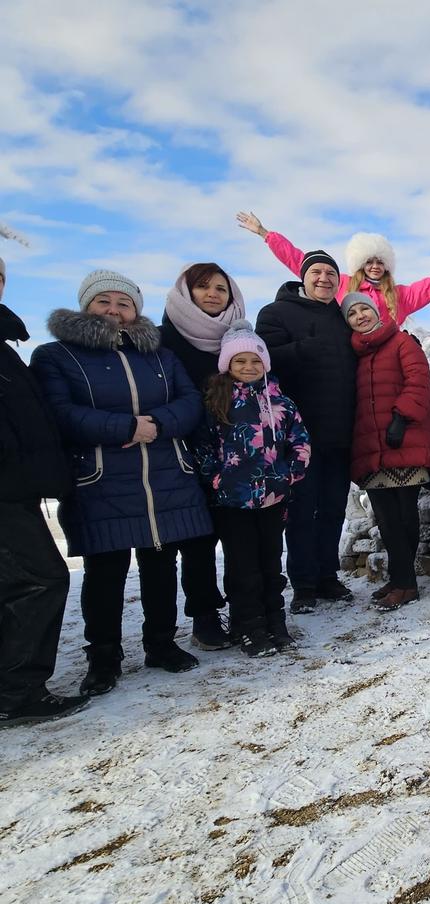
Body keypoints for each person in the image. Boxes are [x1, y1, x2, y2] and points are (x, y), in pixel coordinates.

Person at [31, 271, 212, 696]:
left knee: (161, 565)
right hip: (101, 477)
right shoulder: (57, 356)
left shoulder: (160, 356)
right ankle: (104, 656)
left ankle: (161, 643)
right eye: (104, 301)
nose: (114, 310)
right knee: (106, 571)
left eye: (124, 303)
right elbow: (59, 411)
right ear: (86, 305)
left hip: (165, 473)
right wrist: (126, 427)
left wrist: (157, 425)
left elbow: (189, 402)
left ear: (136, 310)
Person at [0, 257, 90, 727]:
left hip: (18, 488)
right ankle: (17, 693)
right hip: (7, 490)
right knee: (40, 580)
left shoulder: (6, 345)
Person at [195, 321, 311, 656]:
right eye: (240, 361)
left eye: (255, 361)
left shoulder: (283, 404)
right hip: (234, 502)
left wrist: (290, 475)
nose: (248, 367)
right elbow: (203, 448)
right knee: (243, 567)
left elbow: (300, 442)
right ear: (227, 365)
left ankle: (275, 621)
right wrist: (217, 479)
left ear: (265, 364)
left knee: (270, 563)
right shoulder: (217, 402)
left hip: (274, 497)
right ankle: (249, 625)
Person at [255, 249, 357, 614]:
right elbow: (260, 361)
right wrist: (304, 349)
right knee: (300, 511)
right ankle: (304, 584)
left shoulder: (342, 316)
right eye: (317, 272)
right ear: (303, 277)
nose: (324, 278)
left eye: (331, 273)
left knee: (333, 508)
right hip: (298, 435)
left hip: (342, 431)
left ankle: (328, 576)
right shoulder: (275, 312)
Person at [161, 262, 246, 650]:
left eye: (221, 288)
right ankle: (205, 617)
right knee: (196, 544)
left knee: (236, 538)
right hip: (180, 457)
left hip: (236, 460)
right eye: (203, 287)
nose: (213, 294)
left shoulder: (240, 342)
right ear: (186, 292)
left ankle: (244, 608)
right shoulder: (163, 340)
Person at [236, 211, 430, 327]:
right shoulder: (342, 284)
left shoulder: (400, 296)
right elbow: (299, 260)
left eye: (380, 262)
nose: (375, 267)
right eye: (370, 261)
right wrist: (265, 234)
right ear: (361, 263)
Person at [345, 292, 430, 611]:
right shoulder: (355, 354)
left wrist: (400, 416)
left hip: (404, 440)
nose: (360, 316)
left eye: (364, 309)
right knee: (386, 519)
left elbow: (419, 380)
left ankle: (405, 583)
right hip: (371, 448)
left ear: (377, 312)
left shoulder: (401, 342)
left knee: (403, 517)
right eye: (352, 313)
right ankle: (401, 579)